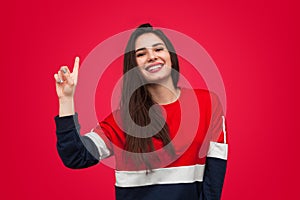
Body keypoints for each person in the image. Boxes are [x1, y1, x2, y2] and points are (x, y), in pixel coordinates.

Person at [54, 23, 228, 200]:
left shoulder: (207, 103)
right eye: (141, 54)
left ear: (171, 56)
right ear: (133, 67)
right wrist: (66, 99)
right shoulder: (122, 120)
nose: (152, 57)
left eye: (158, 49)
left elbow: (214, 177)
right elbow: (75, 155)